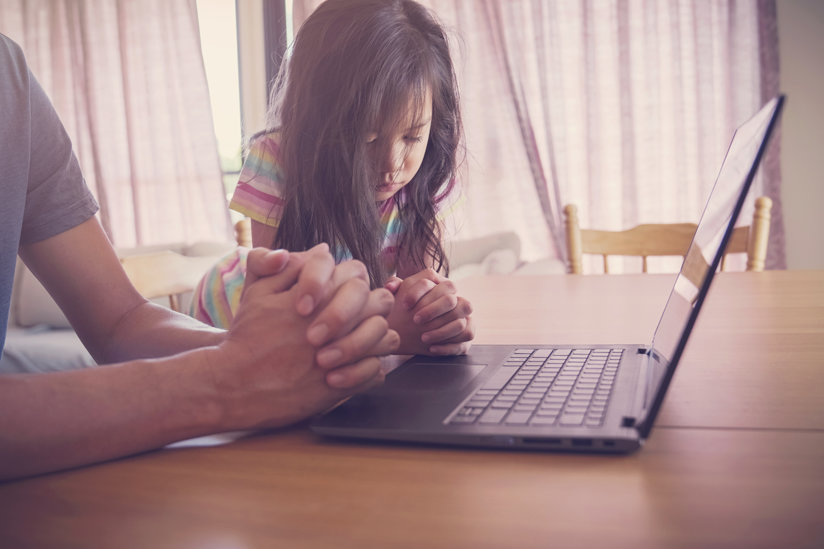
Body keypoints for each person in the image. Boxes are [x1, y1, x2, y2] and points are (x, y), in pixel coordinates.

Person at [0, 33, 399, 481]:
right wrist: (226, 380)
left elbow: (121, 321)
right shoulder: (273, 158)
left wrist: (279, 356)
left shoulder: (11, 81)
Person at [190, 0, 475, 356]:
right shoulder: (279, 160)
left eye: (412, 136)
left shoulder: (427, 174)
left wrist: (437, 315)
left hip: (342, 331)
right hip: (229, 315)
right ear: (319, 123)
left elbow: (416, 298)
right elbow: (284, 313)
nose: (391, 164)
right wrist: (389, 327)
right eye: (367, 139)